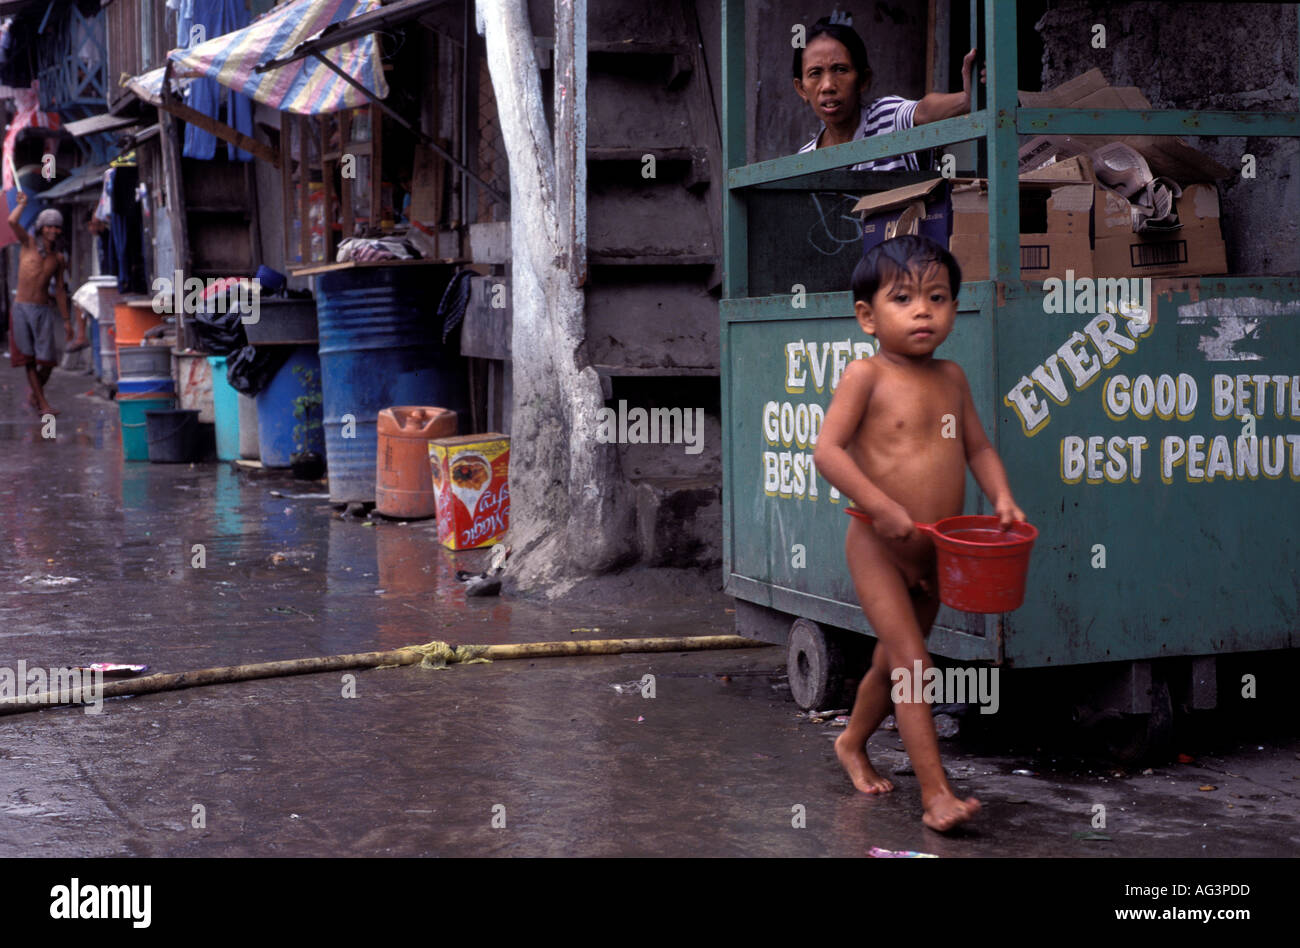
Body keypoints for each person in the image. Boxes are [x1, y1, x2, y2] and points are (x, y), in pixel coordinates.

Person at [812, 235, 1025, 832]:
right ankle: (936, 797)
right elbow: (826, 452)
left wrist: (1002, 496)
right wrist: (880, 506)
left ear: (956, 308)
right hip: (877, 546)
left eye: (938, 297)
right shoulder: (865, 375)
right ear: (867, 317)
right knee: (914, 665)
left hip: (938, 552)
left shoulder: (951, 377)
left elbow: (978, 447)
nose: (923, 310)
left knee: (893, 661)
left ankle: (851, 740)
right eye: (903, 298)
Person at [793, 17, 982, 171]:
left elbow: (923, 110)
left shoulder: (886, 118)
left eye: (840, 70)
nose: (827, 85)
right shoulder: (805, 159)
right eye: (815, 73)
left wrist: (966, 99)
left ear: (863, 80)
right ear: (801, 89)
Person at [8, 193, 72, 415]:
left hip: (43, 310)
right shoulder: (28, 243)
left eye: (57, 227)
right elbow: (12, 222)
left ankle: (36, 395)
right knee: (28, 359)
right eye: (49, 227)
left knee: (47, 362)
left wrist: (66, 321)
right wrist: (22, 205)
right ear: (41, 227)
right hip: (21, 308)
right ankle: (43, 404)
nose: (53, 231)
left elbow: (61, 290)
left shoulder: (58, 258)